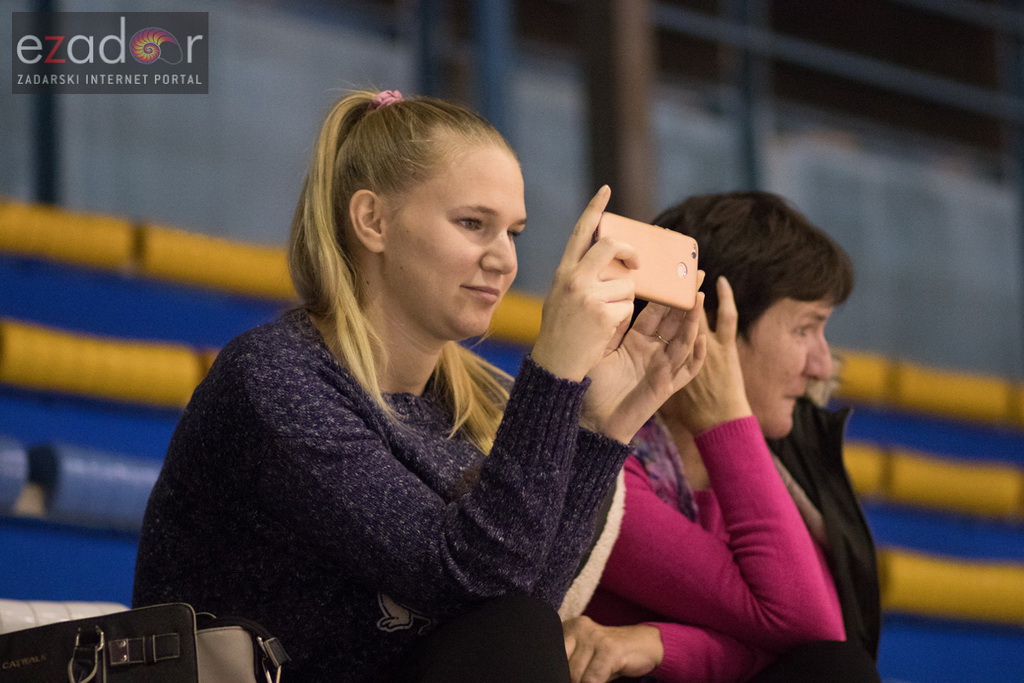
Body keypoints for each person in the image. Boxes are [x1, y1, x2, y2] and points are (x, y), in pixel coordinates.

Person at [132, 89, 707, 683]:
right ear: (373, 221)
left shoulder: (469, 398)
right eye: (473, 224)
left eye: (513, 233)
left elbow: (527, 597)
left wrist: (602, 426)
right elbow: (475, 582)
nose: (504, 260)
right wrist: (554, 372)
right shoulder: (276, 377)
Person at [563, 191, 881, 682]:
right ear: (709, 330)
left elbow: (822, 642)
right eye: (804, 330)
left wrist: (657, 644)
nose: (822, 366)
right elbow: (802, 619)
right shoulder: (599, 454)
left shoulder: (775, 465)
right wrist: (725, 415)